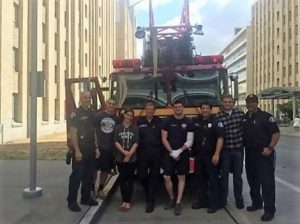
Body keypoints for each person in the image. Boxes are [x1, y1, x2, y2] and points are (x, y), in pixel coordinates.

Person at [242, 94, 280, 222]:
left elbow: (275, 133)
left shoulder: (266, 117)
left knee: (267, 182)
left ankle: (269, 210)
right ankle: (257, 202)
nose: (251, 104)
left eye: (253, 101)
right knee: (252, 180)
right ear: (246, 103)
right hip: (249, 153)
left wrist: (269, 148)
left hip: (264, 153)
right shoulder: (244, 118)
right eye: (248, 102)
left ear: (257, 103)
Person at [67, 91, 100, 212]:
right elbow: (73, 132)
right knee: (76, 177)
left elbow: (94, 131)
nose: (88, 99)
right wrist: (76, 150)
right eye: (85, 98)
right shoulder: (75, 114)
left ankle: (85, 198)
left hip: (90, 149)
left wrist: (96, 148)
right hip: (80, 150)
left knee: (88, 176)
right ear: (80, 99)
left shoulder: (92, 113)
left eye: (89, 98)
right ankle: (71, 201)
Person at [161, 100, 194, 216]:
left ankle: (178, 202)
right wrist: (171, 152)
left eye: (180, 107)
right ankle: (172, 198)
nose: (178, 108)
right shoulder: (167, 121)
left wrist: (179, 151)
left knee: (181, 176)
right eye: (176, 107)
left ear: (183, 108)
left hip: (183, 153)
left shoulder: (189, 122)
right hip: (169, 153)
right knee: (166, 176)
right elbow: (164, 138)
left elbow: (190, 141)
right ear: (173, 108)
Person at [191, 102, 224, 213]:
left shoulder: (216, 121)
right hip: (199, 155)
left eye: (207, 108)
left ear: (211, 109)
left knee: (213, 180)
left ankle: (215, 203)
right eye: (203, 108)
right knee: (200, 179)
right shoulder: (196, 121)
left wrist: (217, 154)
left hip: (211, 155)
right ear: (200, 109)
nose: (205, 110)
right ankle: (202, 201)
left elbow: (220, 138)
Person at [217, 95, 245, 209]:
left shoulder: (240, 114)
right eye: (225, 102)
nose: (227, 104)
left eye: (230, 102)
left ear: (233, 103)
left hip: (238, 150)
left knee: (238, 178)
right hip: (225, 151)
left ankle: (239, 200)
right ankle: (223, 200)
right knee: (224, 178)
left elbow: (246, 129)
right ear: (222, 103)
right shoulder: (218, 116)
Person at [137, 102, 163, 213]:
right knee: (141, 175)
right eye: (147, 109)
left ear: (154, 111)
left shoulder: (160, 122)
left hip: (156, 152)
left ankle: (150, 201)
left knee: (154, 176)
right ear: (145, 110)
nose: (149, 111)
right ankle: (149, 191)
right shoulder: (139, 122)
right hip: (142, 152)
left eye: (151, 109)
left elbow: (164, 136)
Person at [114, 108, 139, 211]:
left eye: (131, 116)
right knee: (122, 179)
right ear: (124, 115)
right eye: (127, 115)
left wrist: (129, 154)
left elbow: (136, 142)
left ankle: (128, 201)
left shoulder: (135, 128)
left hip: (132, 159)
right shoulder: (118, 127)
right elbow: (116, 141)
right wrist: (124, 153)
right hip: (120, 158)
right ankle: (123, 200)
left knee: (130, 179)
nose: (129, 117)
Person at [94, 98, 119, 199]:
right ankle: (92, 190)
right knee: (94, 170)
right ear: (106, 104)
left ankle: (100, 190)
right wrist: (95, 146)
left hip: (109, 149)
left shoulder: (116, 119)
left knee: (105, 171)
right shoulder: (98, 116)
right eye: (109, 103)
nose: (111, 105)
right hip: (98, 148)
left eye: (113, 104)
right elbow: (94, 131)